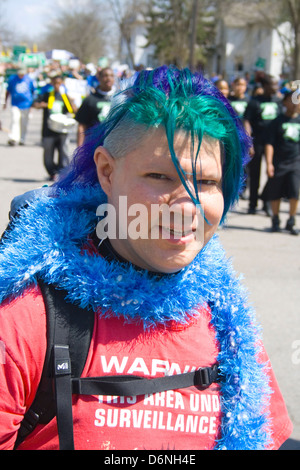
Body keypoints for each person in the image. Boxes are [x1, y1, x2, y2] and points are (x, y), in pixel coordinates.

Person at [0, 66, 292, 450]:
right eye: (160, 176)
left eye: (206, 183)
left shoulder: (227, 320)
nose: (187, 206)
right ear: (106, 171)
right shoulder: (29, 314)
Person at [244, 75, 282, 214]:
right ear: (265, 86)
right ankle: (252, 203)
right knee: (255, 173)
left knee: (274, 172)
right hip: (258, 141)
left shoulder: (279, 101)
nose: (276, 87)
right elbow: (247, 121)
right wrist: (249, 142)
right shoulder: (255, 102)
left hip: (273, 143)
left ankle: (266, 201)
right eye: (273, 85)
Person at [264, 91, 300, 235]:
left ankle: (291, 221)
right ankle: (275, 219)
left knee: (295, 193)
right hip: (279, 162)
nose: (296, 104)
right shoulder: (277, 121)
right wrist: (269, 163)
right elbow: (269, 144)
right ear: (285, 102)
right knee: (275, 193)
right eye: (293, 100)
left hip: (296, 162)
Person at [33, 74, 77, 181]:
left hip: (62, 130)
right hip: (48, 130)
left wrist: (72, 101)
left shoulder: (65, 97)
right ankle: (52, 172)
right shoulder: (47, 95)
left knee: (64, 152)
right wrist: (42, 105)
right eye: (55, 83)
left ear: (62, 83)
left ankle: (62, 173)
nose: (57, 85)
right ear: (52, 83)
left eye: (59, 83)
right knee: (48, 153)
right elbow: (35, 104)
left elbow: (74, 110)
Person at [75, 67, 116, 146]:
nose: (108, 78)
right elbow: (82, 126)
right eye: (105, 76)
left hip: (114, 146)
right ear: (99, 78)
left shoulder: (120, 99)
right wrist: (79, 148)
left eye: (111, 76)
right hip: (94, 145)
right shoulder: (90, 99)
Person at [3, 67, 36, 146]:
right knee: (15, 119)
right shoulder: (12, 79)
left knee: (24, 122)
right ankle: (13, 138)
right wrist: (5, 102)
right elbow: (8, 91)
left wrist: (32, 105)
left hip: (26, 104)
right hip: (15, 103)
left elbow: (33, 91)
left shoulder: (29, 79)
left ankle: (22, 138)